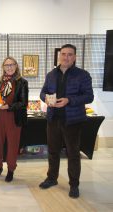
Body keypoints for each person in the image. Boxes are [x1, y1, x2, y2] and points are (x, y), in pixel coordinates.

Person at [39, 44, 94, 198]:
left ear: (75, 57)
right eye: (63, 54)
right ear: (59, 56)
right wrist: (47, 99)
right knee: (53, 151)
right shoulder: (51, 74)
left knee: (73, 153)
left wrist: (69, 100)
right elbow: (43, 92)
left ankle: (74, 185)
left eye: (70, 54)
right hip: (53, 119)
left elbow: (89, 96)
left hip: (73, 121)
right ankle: (52, 178)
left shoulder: (83, 75)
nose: (66, 57)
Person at [0, 56, 28, 182]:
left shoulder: (22, 82)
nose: (9, 67)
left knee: (13, 145)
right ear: (3, 67)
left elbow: (23, 102)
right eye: (7, 65)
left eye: (12, 64)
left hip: (13, 117)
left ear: (16, 66)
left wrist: (9, 106)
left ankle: (11, 170)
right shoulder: (0, 81)